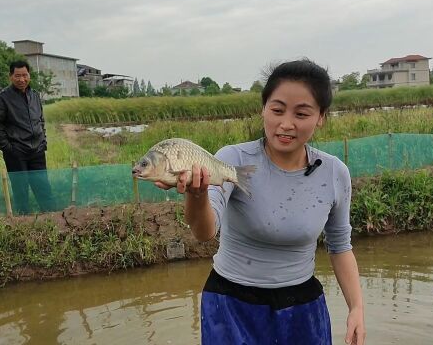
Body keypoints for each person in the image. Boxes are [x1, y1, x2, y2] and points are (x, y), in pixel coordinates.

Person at [156, 59, 365, 345]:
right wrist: (197, 194)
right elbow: (204, 232)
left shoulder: (334, 172)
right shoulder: (233, 160)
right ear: (263, 108)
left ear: (321, 117)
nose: (286, 124)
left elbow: (340, 246)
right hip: (231, 305)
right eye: (277, 110)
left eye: (301, 113)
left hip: (302, 308)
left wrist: (356, 308)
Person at [0, 60, 55, 215]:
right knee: (21, 192)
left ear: (29, 75)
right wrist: (9, 148)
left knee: (44, 188)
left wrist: (43, 140)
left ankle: (52, 221)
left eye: (25, 75)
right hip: (16, 153)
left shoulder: (35, 96)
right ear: (11, 76)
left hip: (37, 151)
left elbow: (40, 120)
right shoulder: (2, 98)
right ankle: (24, 225)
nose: (22, 79)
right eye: (17, 76)